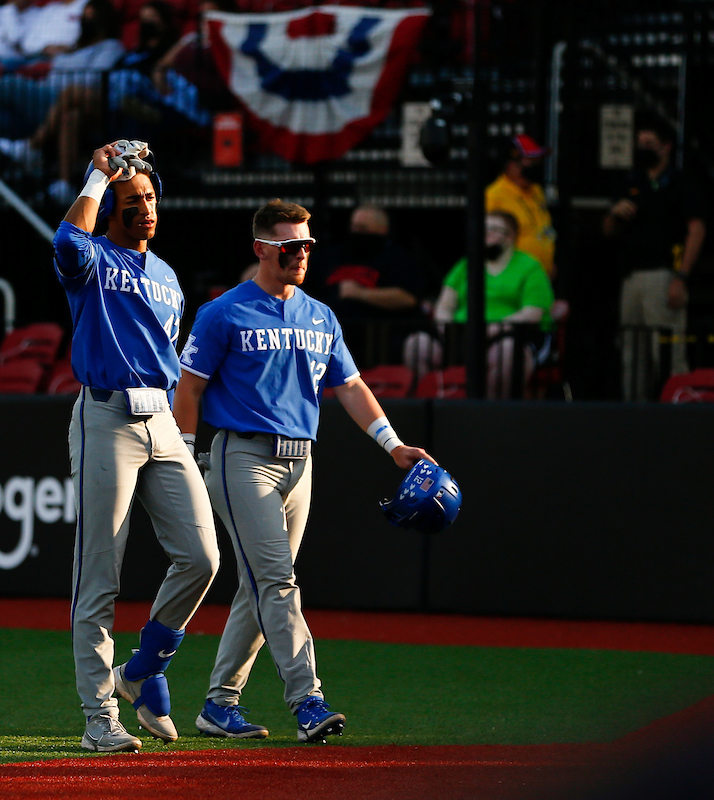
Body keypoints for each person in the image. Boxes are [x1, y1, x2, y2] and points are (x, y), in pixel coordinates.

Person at [172, 199, 435, 742]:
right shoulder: (224, 311)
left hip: (300, 461)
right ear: (262, 250)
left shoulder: (321, 313)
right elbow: (189, 385)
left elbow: (352, 386)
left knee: (260, 586)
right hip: (242, 457)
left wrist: (393, 445)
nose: (301, 255)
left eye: (308, 245)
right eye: (291, 246)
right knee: (277, 582)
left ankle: (219, 705)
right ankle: (308, 700)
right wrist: (187, 453)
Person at [54, 140, 219, 753]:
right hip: (108, 417)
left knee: (203, 557)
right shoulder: (93, 256)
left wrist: (184, 431)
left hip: (162, 424)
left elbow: (172, 360)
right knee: (100, 576)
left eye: (150, 197)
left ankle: (140, 671)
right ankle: (99, 716)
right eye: (134, 201)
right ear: (113, 210)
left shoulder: (168, 275)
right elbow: (65, 245)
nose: (146, 208)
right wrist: (98, 179)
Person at [0, 0, 181, 204]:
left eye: (152, 18)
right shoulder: (133, 52)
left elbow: (99, 77)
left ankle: (32, 146)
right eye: (143, 18)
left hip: (124, 106)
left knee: (70, 92)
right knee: (70, 116)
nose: (146, 22)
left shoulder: (159, 53)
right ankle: (64, 185)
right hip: (100, 102)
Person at [603, 114, 705, 401]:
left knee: (668, 353)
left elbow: (696, 229)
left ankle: (677, 412)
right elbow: (607, 231)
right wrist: (614, 212)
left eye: (649, 143)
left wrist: (681, 278)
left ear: (666, 146)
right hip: (631, 278)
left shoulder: (681, 182)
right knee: (632, 354)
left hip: (663, 276)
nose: (643, 148)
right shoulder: (631, 181)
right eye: (640, 143)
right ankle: (634, 414)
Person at [403, 211, 554, 398]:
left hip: (509, 336)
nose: (486, 233)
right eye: (483, 229)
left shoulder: (530, 266)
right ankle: (435, 405)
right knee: (417, 344)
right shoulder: (465, 265)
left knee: (505, 353)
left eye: (494, 229)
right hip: (462, 335)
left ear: (511, 235)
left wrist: (496, 327)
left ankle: (489, 413)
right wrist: (447, 327)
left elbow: (533, 312)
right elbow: (445, 304)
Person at [0, 0, 123, 162]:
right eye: (85, 13)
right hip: (45, 95)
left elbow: (95, 78)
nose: (86, 18)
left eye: (92, 14)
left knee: (10, 83)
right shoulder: (74, 48)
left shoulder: (110, 46)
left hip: (65, 98)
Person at [301, 204, 423, 364]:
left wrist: (360, 293)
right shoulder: (333, 255)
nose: (356, 233)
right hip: (327, 343)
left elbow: (408, 298)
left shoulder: (398, 259)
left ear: (382, 230)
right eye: (354, 227)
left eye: (363, 229)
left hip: (378, 347)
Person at [485, 134, 557, 279]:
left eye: (538, 161)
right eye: (531, 162)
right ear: (511, 165)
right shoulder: (494, 195)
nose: (536, 167)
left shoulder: (536, 191)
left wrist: (548, 263)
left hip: (541, 275)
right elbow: (490, 243)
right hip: (513, 278)